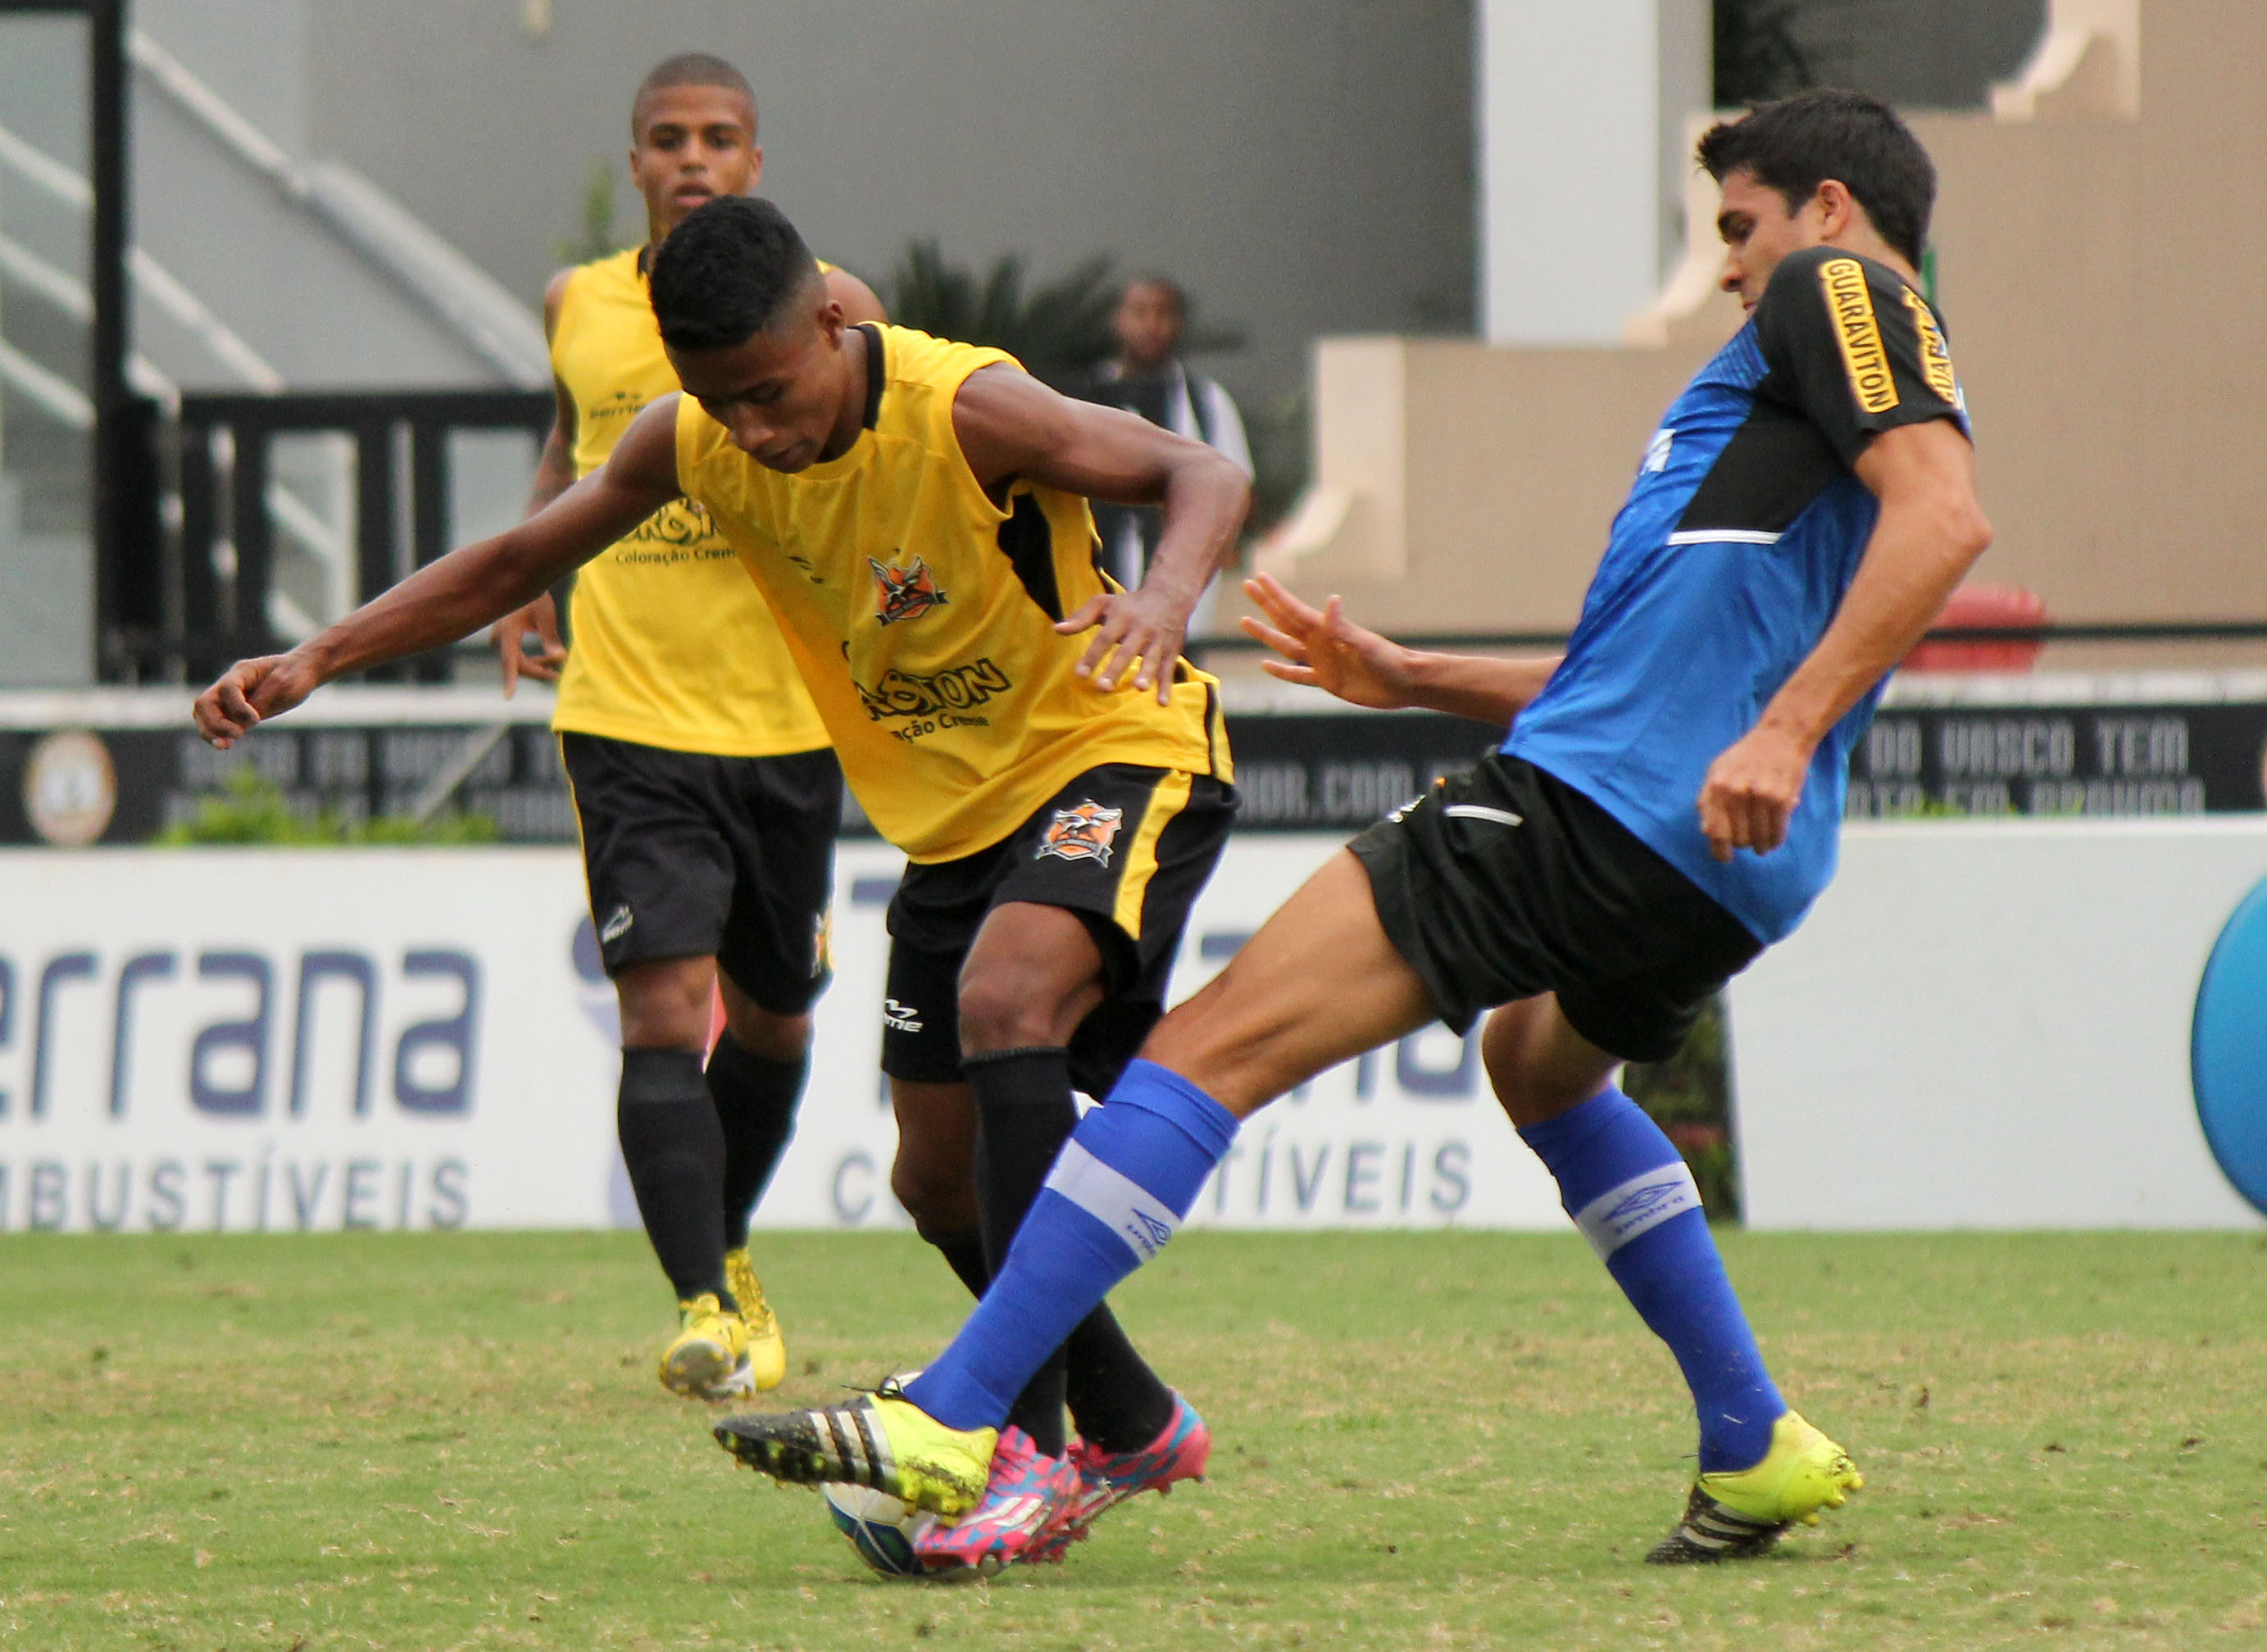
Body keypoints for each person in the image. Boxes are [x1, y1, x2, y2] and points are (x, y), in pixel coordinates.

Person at [707, 88, 1992, 1567]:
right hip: (1722, 854)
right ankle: (1753, 1440)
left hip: (1620, 808)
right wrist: (1416, 679)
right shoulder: (1792, 396)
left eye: (1737, 227)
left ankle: (962, 1410)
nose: (1725, 266)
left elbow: (1946, 519)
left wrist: (1785, 726)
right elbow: (1650, 663)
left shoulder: (1840, 291)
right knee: (1543, 1065)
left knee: (1207, 1048)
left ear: (1828, 211)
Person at [191, 194, 1251, 1571]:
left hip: (1114, 748)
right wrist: (315, 660)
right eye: (714, 400)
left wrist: (1162, 602)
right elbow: (519, 559)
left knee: (1008, 1001)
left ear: (831, 319)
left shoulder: (964, 407)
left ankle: (1017, 1456)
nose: (748, 429)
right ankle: (1128, 1414)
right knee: (937, 1188)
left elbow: (1201, 475)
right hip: (952, 829)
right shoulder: (692, 440)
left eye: (765, 392)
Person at [487, 52, 885, 1405]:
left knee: (773, 1024)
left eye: (720, 138)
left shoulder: (827, 306)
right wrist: (529, 580)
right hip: (626, 712)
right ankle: (704, 1301)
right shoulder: (578, 305)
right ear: (637, 158)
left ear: (755, 162)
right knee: (666, 1012)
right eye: (668, 140)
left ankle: (726, 1245)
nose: (693, 159)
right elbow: (568, 451)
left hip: (789, 718)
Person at [1080, 278, 1252, 632]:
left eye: (1163, 314)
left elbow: (1236, 485)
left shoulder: (1207, 403)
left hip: (1182, 601)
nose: (1151, 325)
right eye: (1140, 312)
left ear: (1180, 323)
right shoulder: (1085, 399)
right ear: (1118, 319)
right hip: (1093, 585)